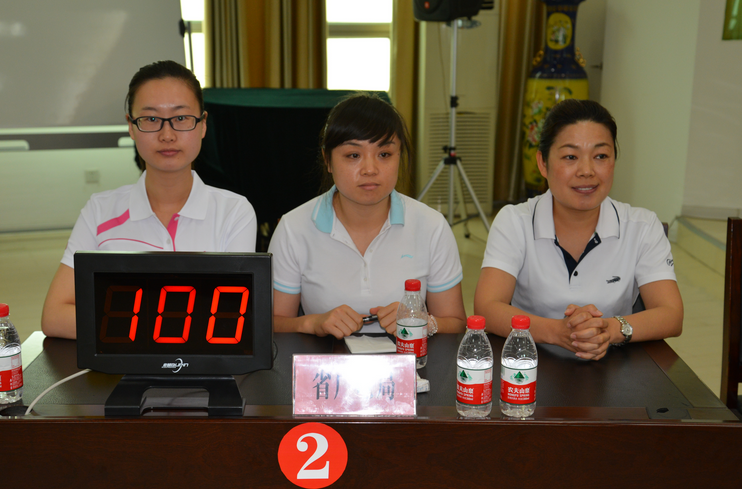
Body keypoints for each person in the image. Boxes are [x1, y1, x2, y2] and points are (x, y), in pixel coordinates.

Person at [41, 60, 257, 339]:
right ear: (131, 127)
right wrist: (162, 327)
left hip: (199, 366)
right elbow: (55, 316)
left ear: (203, 125)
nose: (167, 135)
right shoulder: (100, 211)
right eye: (151, 119)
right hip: (119, 366)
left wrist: (124, 320)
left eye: (181, 118)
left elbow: (230, 321)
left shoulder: (234, 212)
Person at [474, 99, 683, 360]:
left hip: (614, 368)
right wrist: (558, 332)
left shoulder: (642, 226)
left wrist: (608, 330)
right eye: (570, 157)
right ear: (543, 163)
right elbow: (487, 307)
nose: (586, 171)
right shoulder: (514, 221)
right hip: (527, 366)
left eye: (601, 156)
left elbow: (671, 315)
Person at [268, 93, 466, 338]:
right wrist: (313, 323)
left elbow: (456, 323)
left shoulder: (432, 226)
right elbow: (272, 323)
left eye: (384, 154)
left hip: (410, 359)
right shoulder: (293, 228)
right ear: (328, 160)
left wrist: (423, 322)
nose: (370, 170)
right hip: (324, 361)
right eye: (353, 155)